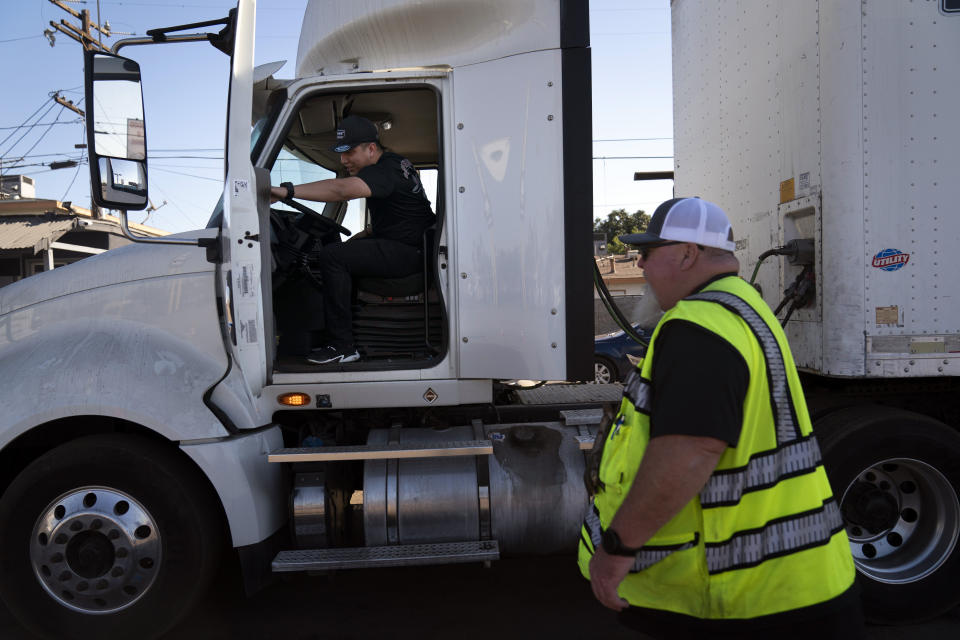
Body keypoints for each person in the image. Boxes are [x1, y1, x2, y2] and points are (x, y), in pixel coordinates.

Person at [578, 197, 864, 639]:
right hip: (790, 584)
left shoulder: (698, 325)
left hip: (744, 599)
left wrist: (615, 550)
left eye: (648, 254)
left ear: (687, 253)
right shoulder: (745, 308)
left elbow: (689, 452)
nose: (641, 266)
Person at [270, 115, 435, 364]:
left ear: (371, 149)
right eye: (341, 153)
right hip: (413, 248)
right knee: (342, 252)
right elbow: (401, 217)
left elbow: (341, 190)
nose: (343, 160)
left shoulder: (385, 170)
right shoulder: (394, 165)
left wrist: (286, 192)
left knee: (332, 256)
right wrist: (363, 236)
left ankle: (342, 347)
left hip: (409, 254)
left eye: (349, 152)